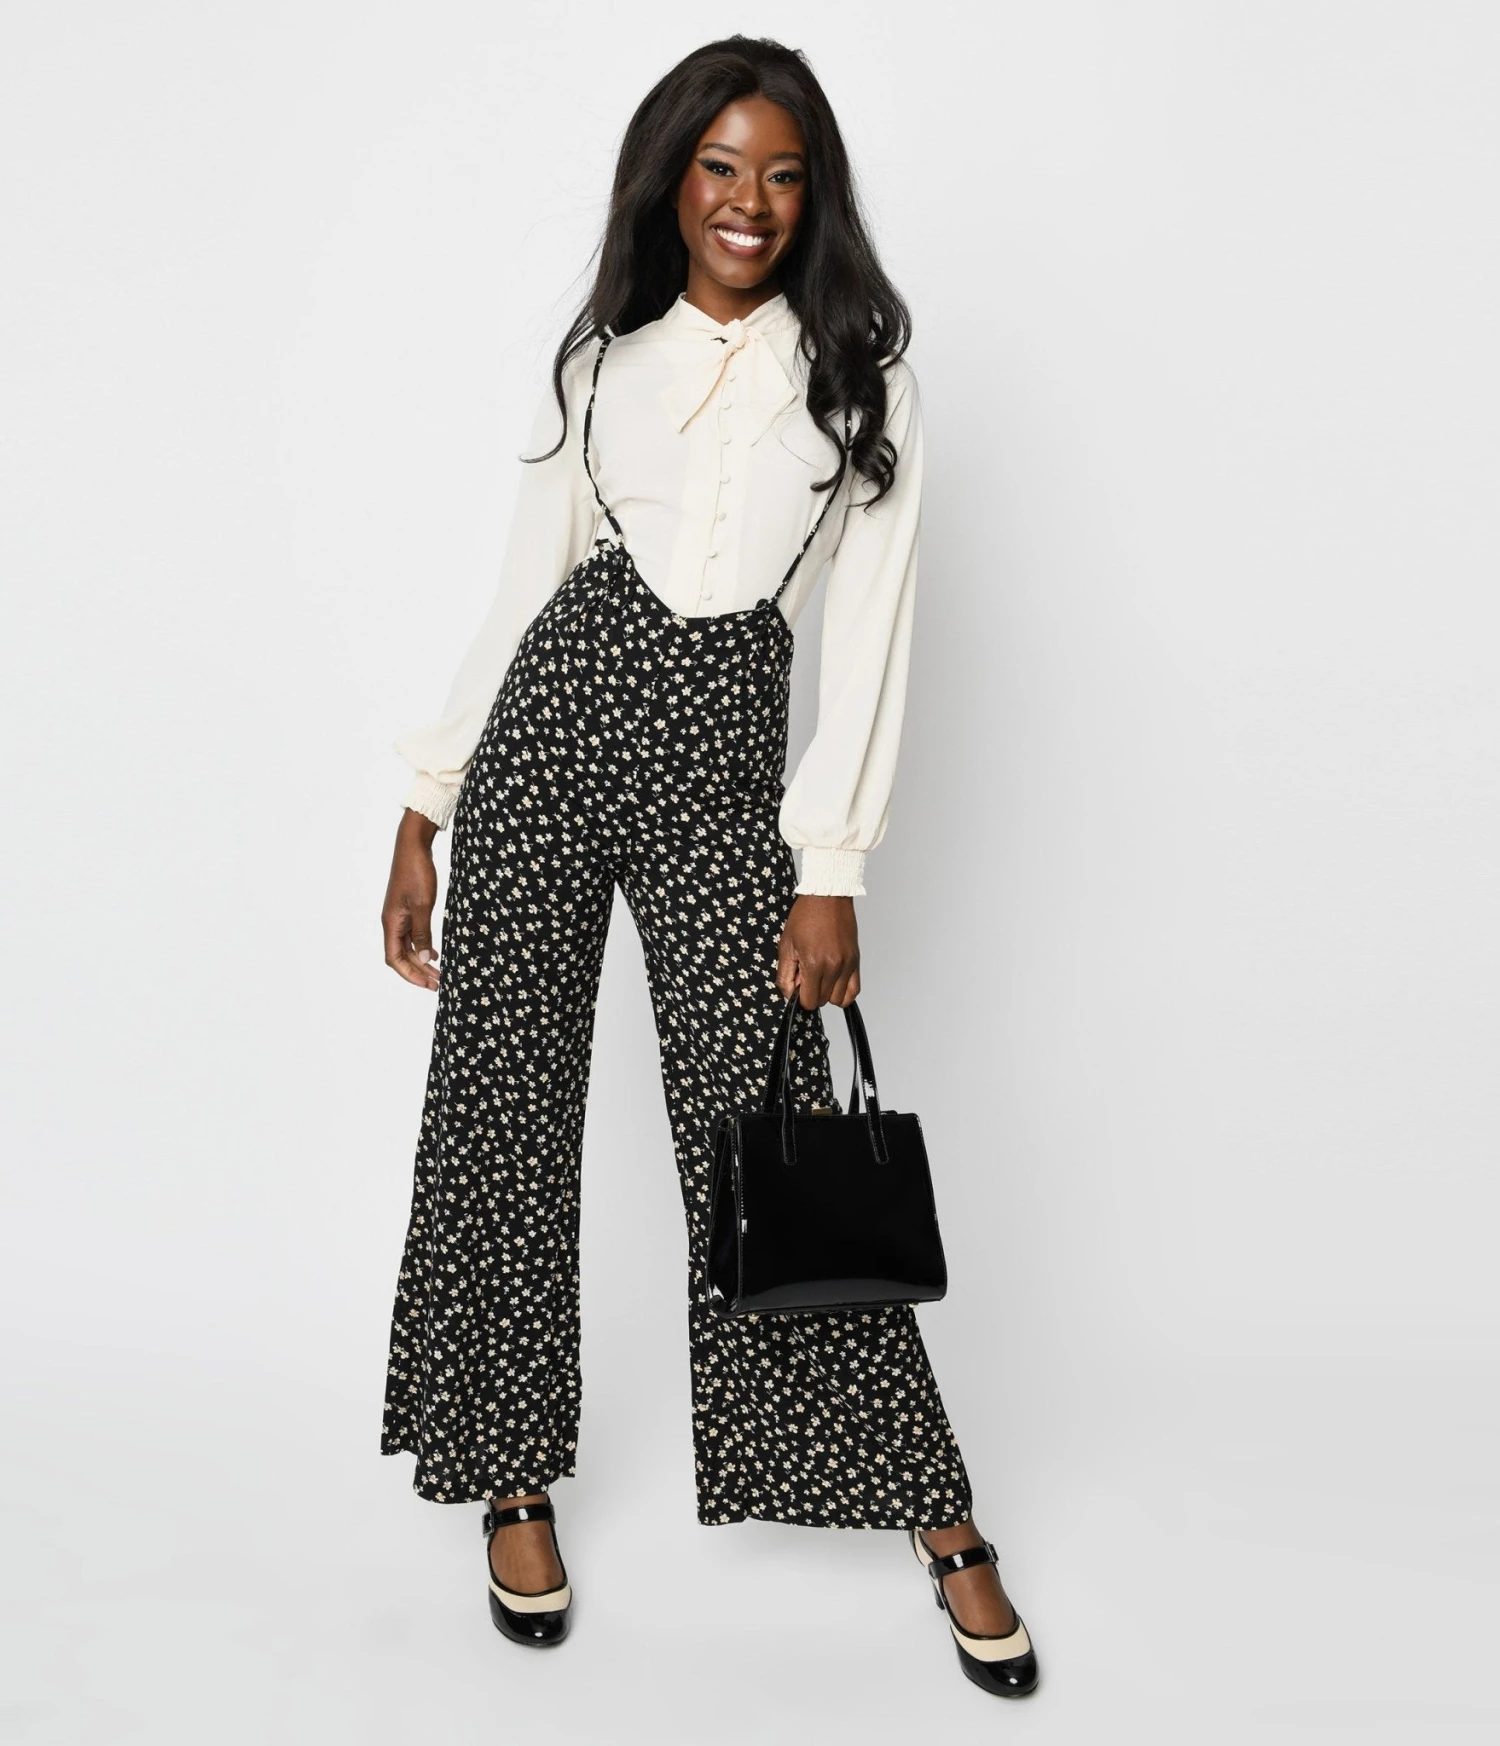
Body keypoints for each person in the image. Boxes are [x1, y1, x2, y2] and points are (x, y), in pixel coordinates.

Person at [378, 34, 1039, 1699]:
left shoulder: (862, 378)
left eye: (782, 173)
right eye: (721, 166)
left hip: (724, 764)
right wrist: (427, 802)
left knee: (767, 1130)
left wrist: (832, 865)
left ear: (814, 197)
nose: (749, 201)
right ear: (671, 180)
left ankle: (935, 1510)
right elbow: (526, 586)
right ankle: (508, 1474)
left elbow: (870, 633)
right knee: (501, 1110)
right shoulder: (602, 364)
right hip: (555, 730)